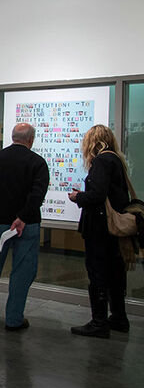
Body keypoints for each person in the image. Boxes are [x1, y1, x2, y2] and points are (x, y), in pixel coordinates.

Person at [0, 123, 49, 331]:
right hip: (28, 225)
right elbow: (37, 194)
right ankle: (14, 319)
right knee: (22, 273)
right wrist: (23, 217)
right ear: (31, 140)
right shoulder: (38, 162)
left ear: (12, 137)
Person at [68, 125, 130, 338]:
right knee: (114, 273)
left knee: (98, 273)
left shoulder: (102, 161)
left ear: (92, 142)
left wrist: (78, 197)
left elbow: (96, 195)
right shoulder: (116, 160)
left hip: (100, 229)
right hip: (112, 230)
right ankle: (119, 317)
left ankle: (99, 322)